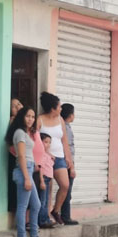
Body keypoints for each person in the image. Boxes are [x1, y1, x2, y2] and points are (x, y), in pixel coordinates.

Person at [5, 106, 46, 237]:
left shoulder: (26, 133)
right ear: (22, 117)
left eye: (33, 117)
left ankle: (34, 235)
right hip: (24, 171)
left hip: (28, 169)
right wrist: (27, 178)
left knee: (36, 204)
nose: (31, 119)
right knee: (22, 206)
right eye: (28, 116)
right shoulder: (19, 133)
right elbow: (21, 156)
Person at [38, 92, 75, 226]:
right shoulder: (40, 120)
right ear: (52, 108)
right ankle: (43, 218)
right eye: (59, 106)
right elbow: (36, 140)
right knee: (45, 189)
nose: (61, 109)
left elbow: (64, 140)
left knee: (65, 185)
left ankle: (56, 210)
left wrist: (68, 159)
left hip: (59, 157)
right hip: (45, 159)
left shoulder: (60, 120)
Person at [59, 103, 79, 226]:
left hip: (65, 161)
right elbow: (68, 148)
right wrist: (72, 167)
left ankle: (64, 215)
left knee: (66, 190)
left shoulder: (64, 127)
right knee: (67, 190)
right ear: (71, 115)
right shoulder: (65, 128)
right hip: (67, 162)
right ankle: (65, 216)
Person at [36, 132, 55, 229]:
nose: (48, 144)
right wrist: (42, 181)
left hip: (48, 179)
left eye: (49, 142)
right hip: (44, 178)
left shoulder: (46, 154)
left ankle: (46, 219)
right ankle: (42, 221)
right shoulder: (42, 155)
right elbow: (41, 168)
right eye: (46, 142)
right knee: (42, 201)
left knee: (46, 200)